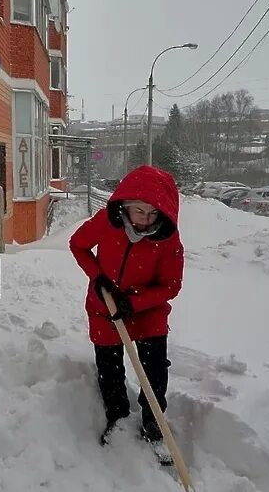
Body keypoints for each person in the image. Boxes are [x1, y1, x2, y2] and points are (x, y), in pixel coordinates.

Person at [69, 165, 184, 447]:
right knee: (109, 366)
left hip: (147, 310)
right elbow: (78, 245)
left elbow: (171, 286)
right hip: (104, 306)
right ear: (126, 206)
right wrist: (98, 279)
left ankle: (153, 422)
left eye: (153, 213)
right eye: (139, 211)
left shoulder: (168, 241)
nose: (145, 220)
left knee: (154, 367)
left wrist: (134, 302)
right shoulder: (108, 222)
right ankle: (117, 415)